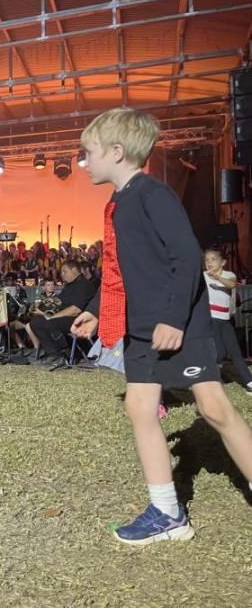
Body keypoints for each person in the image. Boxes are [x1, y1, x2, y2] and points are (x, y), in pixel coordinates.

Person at [71, 107, 252, 545]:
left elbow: (187, 257)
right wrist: (98, 307)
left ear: (116, 152)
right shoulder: (118, 202)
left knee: (214, 409)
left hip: (177, 323)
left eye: (88, 152)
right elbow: (122, 270)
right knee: (139, 408)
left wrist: (173, 318)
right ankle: (167, 513)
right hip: (141, 328)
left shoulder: (153, 194)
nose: (83, 161)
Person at [203, 248, 252, 393]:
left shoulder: (228, 275)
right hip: (211, 318)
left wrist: (217, 278)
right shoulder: (203, 276)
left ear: (223, 262)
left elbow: (231, 285)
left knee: (235, 352)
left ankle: (249, 381)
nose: (209, 262)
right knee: (219, 353)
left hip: (225, 320)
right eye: (207, 260)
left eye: (213, 259)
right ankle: (213, 379)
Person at [30, 260, 94, 364]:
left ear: (74, 270)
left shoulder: (83, 285)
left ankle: (64, 351)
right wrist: (42, 307)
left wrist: (52, 316)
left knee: (46, 322)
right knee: (35, 321)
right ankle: (55, 353)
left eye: (65, 271)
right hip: (65, 317)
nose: (62, 275)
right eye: (61, 272)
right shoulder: (68, 286)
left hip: (79, 319)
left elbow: (75, 309)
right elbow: (59, 301)